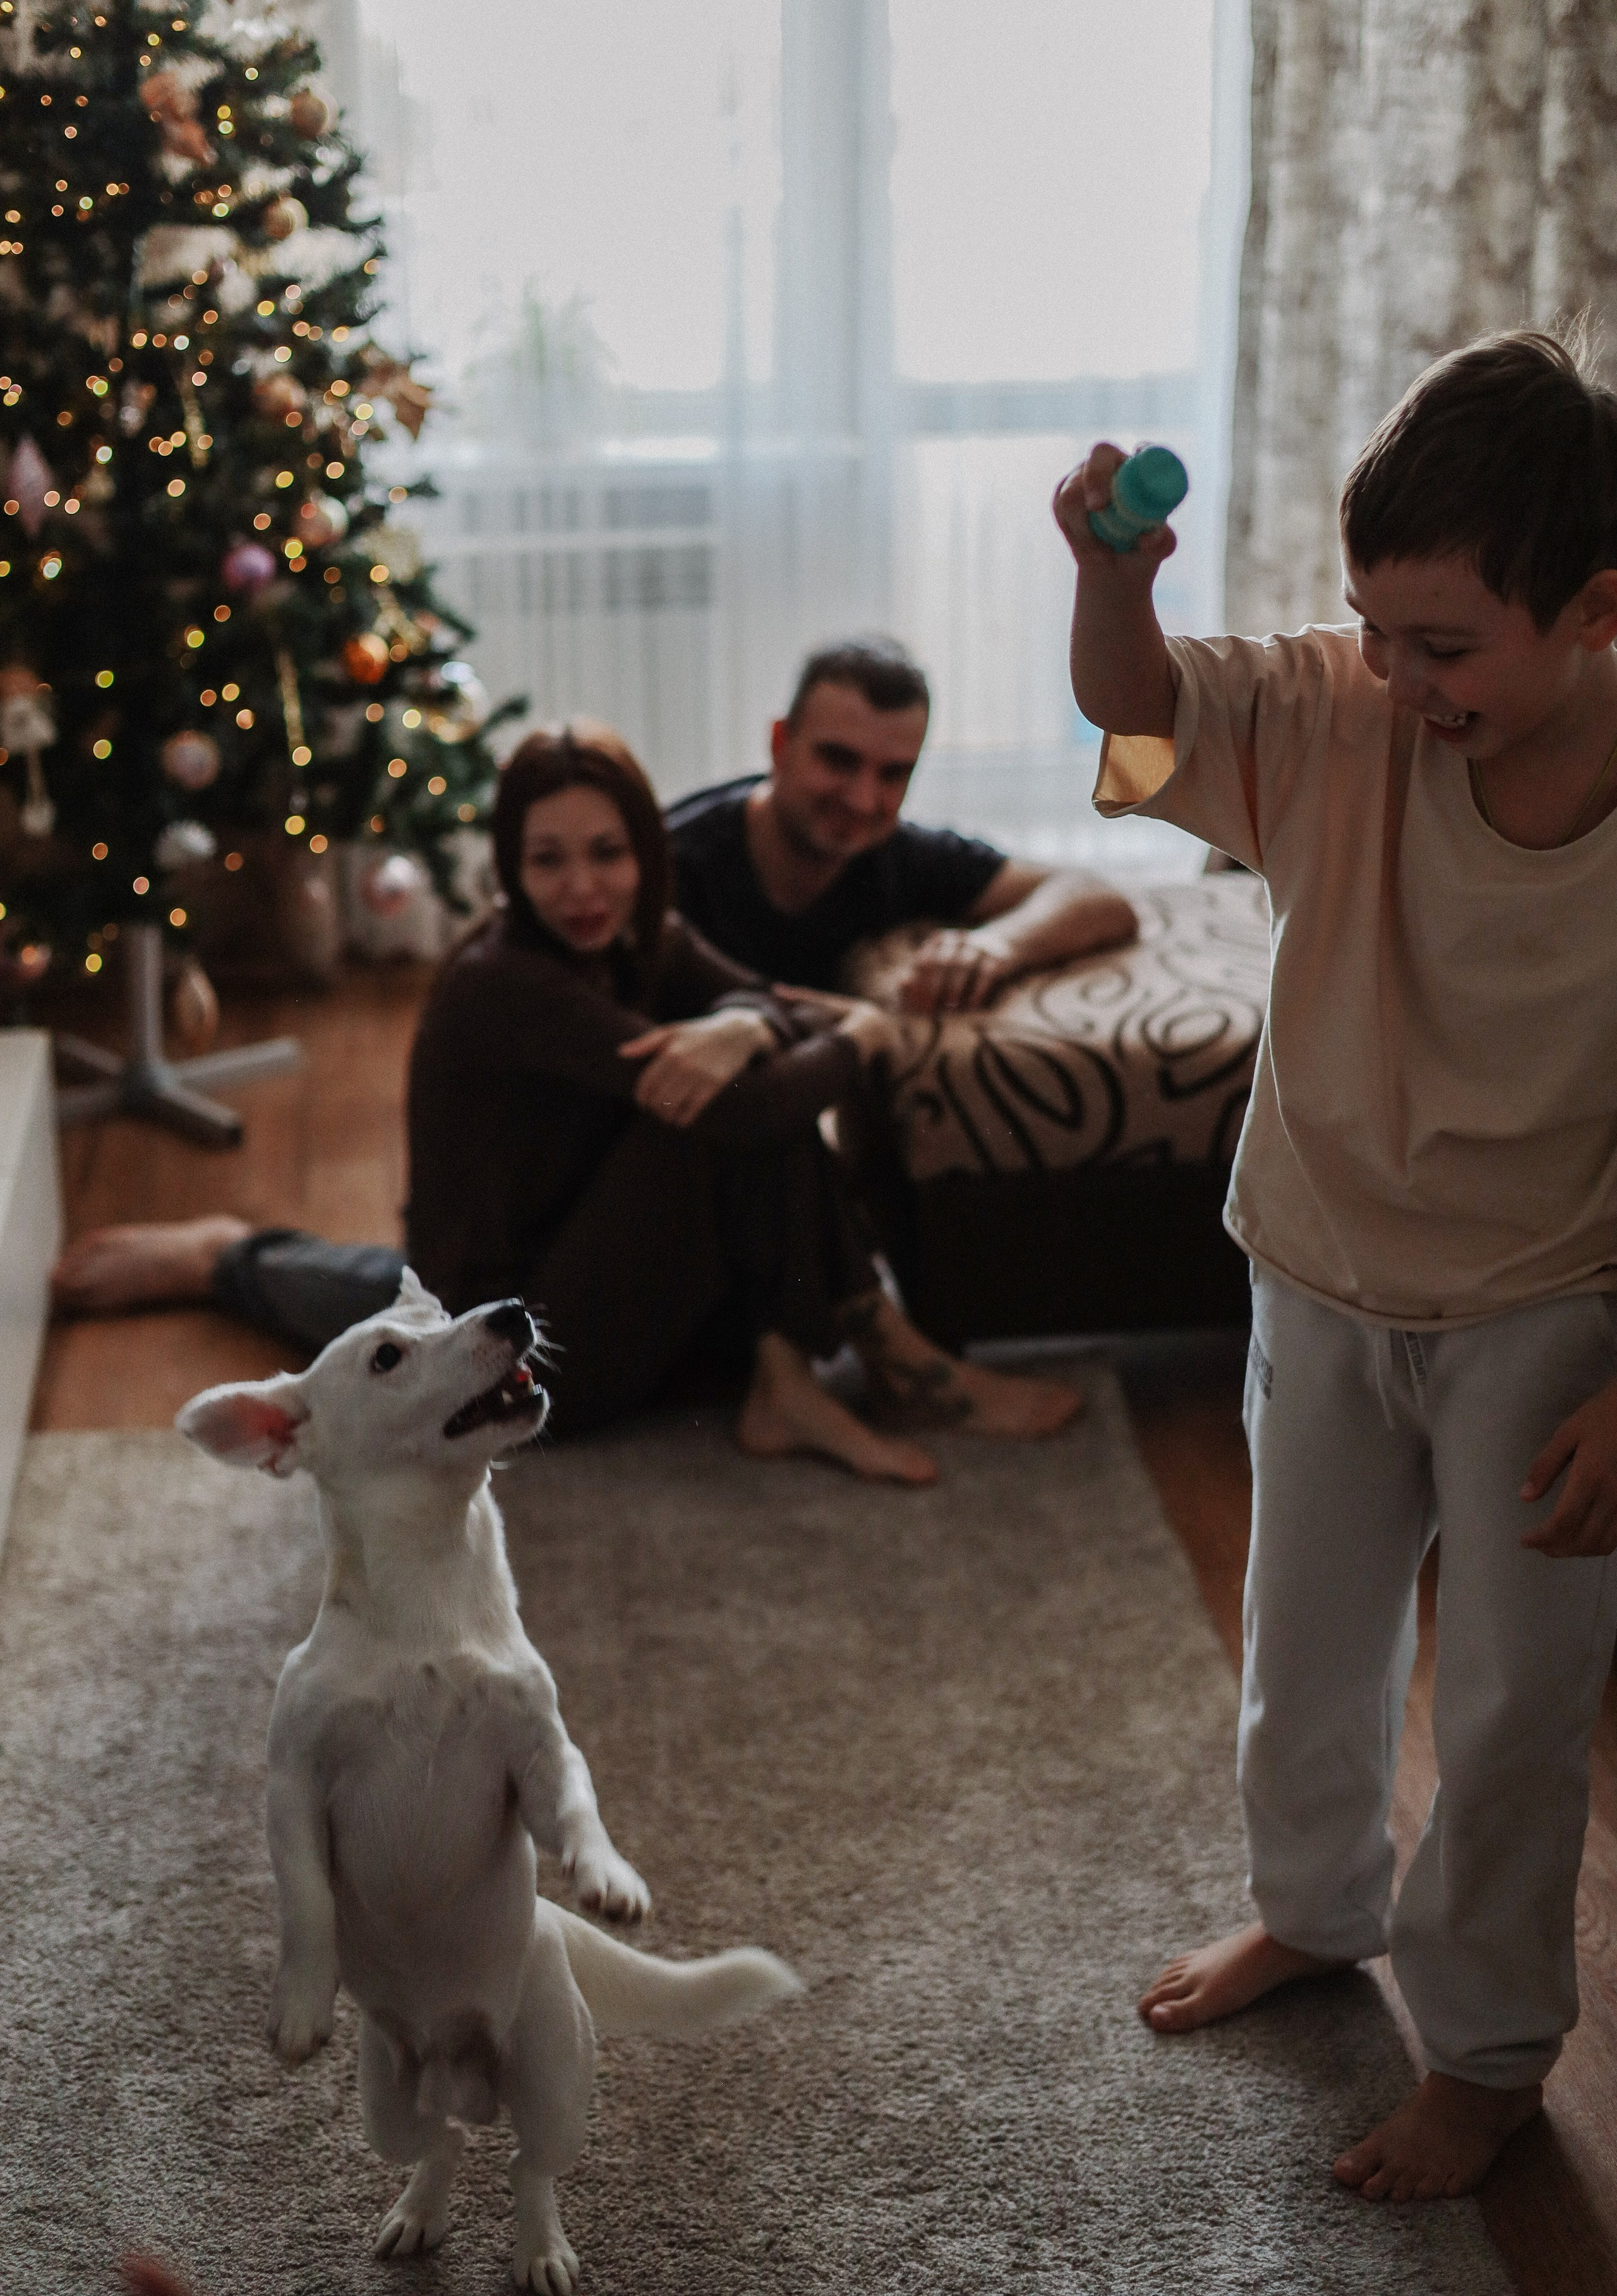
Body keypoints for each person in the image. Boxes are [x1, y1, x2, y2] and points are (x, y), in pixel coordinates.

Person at [1053, 333, 1617, 2203]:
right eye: (1372, 625)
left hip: (1546, 1307)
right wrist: (1110, 589)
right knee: (1302, 1647)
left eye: (1443, 645)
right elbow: (1134, 732)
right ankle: (1309, 1910)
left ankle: (1480, 2053)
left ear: (1598, 610)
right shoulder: (1340, 706)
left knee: (1513, 1713)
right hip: (1313, 1258)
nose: (1395, 676)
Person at [58, 725, 1079, 1477]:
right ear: (511, 867)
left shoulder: (648, 937)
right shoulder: (506, 980)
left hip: (564, 1246)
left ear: (646, 852)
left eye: (608, 853)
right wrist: (865, 1030)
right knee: (711, 1116)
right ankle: (875, 1358)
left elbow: (764, 1006)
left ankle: (791, 1377)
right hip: (512, 1346)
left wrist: (742, 1025)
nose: (584, 888)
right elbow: (765, 1087)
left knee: (726, 1079)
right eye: (548, 860)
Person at [666, 637, 1139, 1007]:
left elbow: (1095, 896)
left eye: (894, 773)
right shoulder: (671, 860)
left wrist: (998, 946)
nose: (863, 800)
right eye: (838, 760)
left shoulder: (901, 854)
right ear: (780, 744)